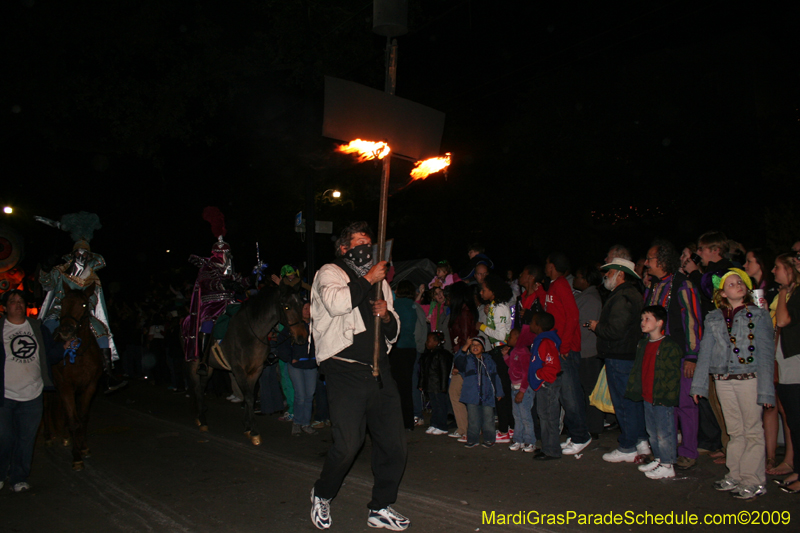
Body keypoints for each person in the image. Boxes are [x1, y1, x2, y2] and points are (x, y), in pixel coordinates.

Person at [309, 222, 409, 531]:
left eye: (370, 241)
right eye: (360, 242)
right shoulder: (330, 272)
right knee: (348, 444)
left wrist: (386, 315)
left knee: (394, 446)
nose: (368, 247)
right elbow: (338, 304)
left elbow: (395, 330)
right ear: (344, 248)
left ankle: (380, 507)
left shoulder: (380, 281)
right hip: (344, 371)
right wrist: (368, 278)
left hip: (379, 372)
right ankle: (322, 493)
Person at [690, 269, 774, 500]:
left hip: (749, 378)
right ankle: (735, 474)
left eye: (740, 282)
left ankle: (754, 480)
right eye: (731, 284)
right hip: (723, 380)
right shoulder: (714, 317)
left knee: (753, 431)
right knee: (735, 431)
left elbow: (766, 354)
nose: (737, 285)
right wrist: (698, 386)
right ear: (723, 293)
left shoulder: (758, 315)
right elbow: (705, 352)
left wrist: (766, 391)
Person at [37, 212, 124, 392]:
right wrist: (45, 269)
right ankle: (39, 369)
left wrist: (85, 306)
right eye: (79, 251)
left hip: (82, 313)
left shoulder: (92, 277)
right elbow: (46, 284)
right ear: (73, 253)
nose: (81, 255)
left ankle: (108, 374)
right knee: (46, 331)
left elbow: (94, 299)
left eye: (85, 253)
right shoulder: (60, 270)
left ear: (89, 255)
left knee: (102, 332)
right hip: (59, 311)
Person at [643, 240, 703, 470]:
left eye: (650, 259)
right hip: (656, 355)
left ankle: (688, 451)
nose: (646, 263)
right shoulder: (654, 286)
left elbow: (693, 321)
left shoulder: (682, 285)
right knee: (660, 404)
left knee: (685, 405)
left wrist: (691, 356)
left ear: (663, 260)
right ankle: (663, 451)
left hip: (678, 355)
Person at [1, 290, 65, 492]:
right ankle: (1, 473)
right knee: (4, 438)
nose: (17, 304)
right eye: (12, 301)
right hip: (4, 396)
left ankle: (19, 477)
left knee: (26, 440)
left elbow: (50, 354)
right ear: (5, 307)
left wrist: (65, 346)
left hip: (32, 394)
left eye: (20, 301)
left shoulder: (37, 327)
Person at [589, 258, 650, 463]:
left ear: (621, 274)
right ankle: (640, 441)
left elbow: (616, 329)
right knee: (632, 402)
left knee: (624, 404)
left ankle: (627, 446)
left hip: (620, 355)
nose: (605, 275)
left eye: (610, 271)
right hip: (625, 355)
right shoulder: (628, 294)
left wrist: (597, 327)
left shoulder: (623, 296)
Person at [536, 253, 591, 456]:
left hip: (565, 349)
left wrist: (565, 346)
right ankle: (577, 434)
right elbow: (551, 311)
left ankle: (581, 436)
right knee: (563, 395)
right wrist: (541, 292)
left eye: (547, 264)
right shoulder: (553, 286)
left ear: (552, 266)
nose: (545, 267)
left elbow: (573, 315)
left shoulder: (561, 285)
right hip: (558, 347)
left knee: (570, 395)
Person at [625, 306, 683, 479]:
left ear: (659, 322)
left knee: (664, 433)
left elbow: (672, 375)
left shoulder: (668, 345)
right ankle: (658, 458)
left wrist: (668, 395)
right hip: (647, 395)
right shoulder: (643, 344)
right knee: (652, 431)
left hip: (661, 397)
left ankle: (668, 463)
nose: (643, 323)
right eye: (642, 319)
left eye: (647, 319)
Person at [771, 254, 800, 493]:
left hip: (796, 363)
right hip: (787, 363)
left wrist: (782, 292)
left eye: (778, 268)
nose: (773, 271)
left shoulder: (796, 294)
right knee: (793, 419)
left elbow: (782, 320)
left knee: (798, 420)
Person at [454, 337, 504, 448]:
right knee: (473, 420)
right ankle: (472, 439)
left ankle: (489, 439)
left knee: (488, 419)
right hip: (472, 396)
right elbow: (458, 361)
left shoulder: (489, 361)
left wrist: (499, 392)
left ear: (483, 348)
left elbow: (495, 377)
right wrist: (465, 346)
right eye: (473, 345)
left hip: (488, 395)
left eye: (478, 345)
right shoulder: (467, 360)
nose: (475, 347)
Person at [573, 265, 604, 439]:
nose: (575, 280)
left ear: (586, 279)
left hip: (587, 351)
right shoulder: (586, 296)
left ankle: (593, 428)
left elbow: (585, 327)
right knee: (586, 391)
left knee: (590, 392)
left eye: (577, 276)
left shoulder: (590, 299)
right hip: (584, 350)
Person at [278, 302, 318, 436]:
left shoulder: (317, 326)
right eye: (305, 308)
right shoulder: (293, 326)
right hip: (297, 366)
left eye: (310, 308)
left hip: (311, 365)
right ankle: (297, 423)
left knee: (309, 395)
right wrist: (290, 358)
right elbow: (282, 343)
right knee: (300, 395)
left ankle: (306, 423)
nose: (308, 311)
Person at [528, 312, 563, 461]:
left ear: (538, 325)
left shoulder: (545, 342)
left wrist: (539, 376)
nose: (530, 325)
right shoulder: (542, 340)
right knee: (544, 415)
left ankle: (552, 450)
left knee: (549, 417)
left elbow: (552, 366)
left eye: (532, 322)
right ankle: (548, 447)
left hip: (547, 385)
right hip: (544, 383)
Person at [446, 282, 478, 441]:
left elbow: (466, 340)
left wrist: (459, 364)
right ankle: (464, 428)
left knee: (457, 392)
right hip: (462, 356)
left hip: (465, 357)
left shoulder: (464, 313)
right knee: (458, 393)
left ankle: (467, 430)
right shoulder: (463, 311)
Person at [391, 280, 425, 430]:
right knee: (408, 386)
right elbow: (422, 329)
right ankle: (409, 421)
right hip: (411, 349)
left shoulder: (394, 306)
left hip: (397, 349)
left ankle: (398, 421)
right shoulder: (415, 307)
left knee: (396, 387)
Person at [418, 332, 453, 435]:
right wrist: (421, 384)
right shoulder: (428, 354)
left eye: (429, 341)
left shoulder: (441, 355)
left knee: (440, 406)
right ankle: (434, 424)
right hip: (430, 385)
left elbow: (444, 372)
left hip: (438, 386)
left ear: (436, 342)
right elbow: (423, 372)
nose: (427, 343)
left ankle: (442, 426)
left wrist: (443, 387)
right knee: (434, 406)